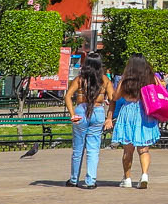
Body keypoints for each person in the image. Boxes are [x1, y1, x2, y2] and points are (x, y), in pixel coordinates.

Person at [109, 55, 161, 189]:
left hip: (128, 113)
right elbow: (160, 92)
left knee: (128, 150)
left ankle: (127, 178)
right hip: (145, 112)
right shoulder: (151, 79)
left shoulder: (125, 80)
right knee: (144, 149)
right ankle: (144, 175)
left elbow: (115, 97)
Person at [65, 56, 113, 188]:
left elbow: (68, 96)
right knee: (93, 149)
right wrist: (109, 116)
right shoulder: (104, 80)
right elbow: (113, 98)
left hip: (81, 111)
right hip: (98, 112)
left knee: (78, 148)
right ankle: (91, 181)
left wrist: (72, 114)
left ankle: (74, 179)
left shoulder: (80, 79)